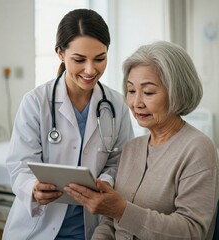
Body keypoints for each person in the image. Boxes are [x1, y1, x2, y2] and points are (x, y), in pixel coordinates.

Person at [64, 41, 219, 239]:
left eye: (148, 92)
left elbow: (192, 231)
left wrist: (122, 211)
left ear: (176, 92)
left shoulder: (197, 149)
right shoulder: (131, 148)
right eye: (131, 90)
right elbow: (110, 223)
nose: (136, 103)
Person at [2, 8, 134, 240]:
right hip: (38, 227)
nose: (90, 70)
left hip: (91, 228)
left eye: (100, 58)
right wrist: (32, 188)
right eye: (79, 60)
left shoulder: (116, 104)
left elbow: (119, 162)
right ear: (61, 54)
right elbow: (20, 164)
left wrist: (105, 181)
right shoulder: (36, 102)